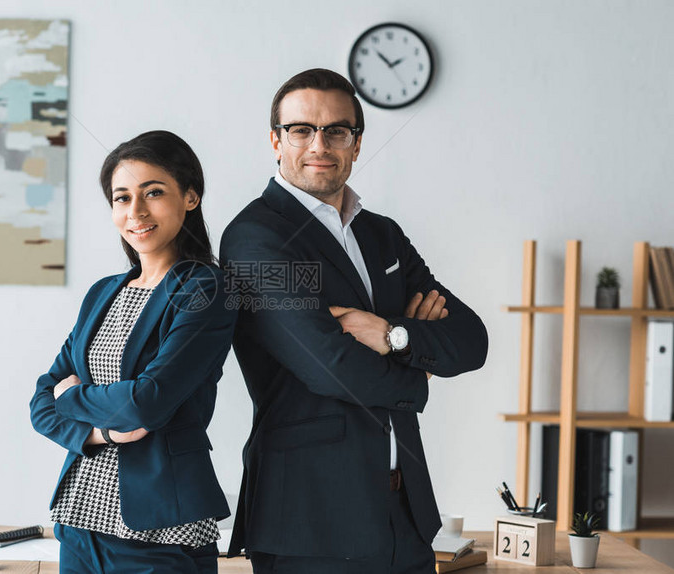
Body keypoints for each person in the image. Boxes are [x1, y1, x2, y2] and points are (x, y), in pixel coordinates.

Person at [220, 69, 488, 573]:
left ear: (356, 144)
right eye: (302, 129)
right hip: (310, 522)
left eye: (336, 131)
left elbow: (472, 340)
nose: (319, 144)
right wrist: (419, 368)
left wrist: (392, 334)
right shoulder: (256, 237)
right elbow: (331, 367)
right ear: (276, 141)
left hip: (404, 517)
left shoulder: (381, 235)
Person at [30, 130, 236, 573]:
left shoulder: (205, 288)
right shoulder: (103, 292)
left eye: (154, 193)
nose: (136, 211)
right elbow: (40, 404)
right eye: (121, 198)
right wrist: (102, 433)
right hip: (80, 522)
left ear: (191, 197)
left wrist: (73, 398)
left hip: (159, 531)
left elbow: (148, 401)